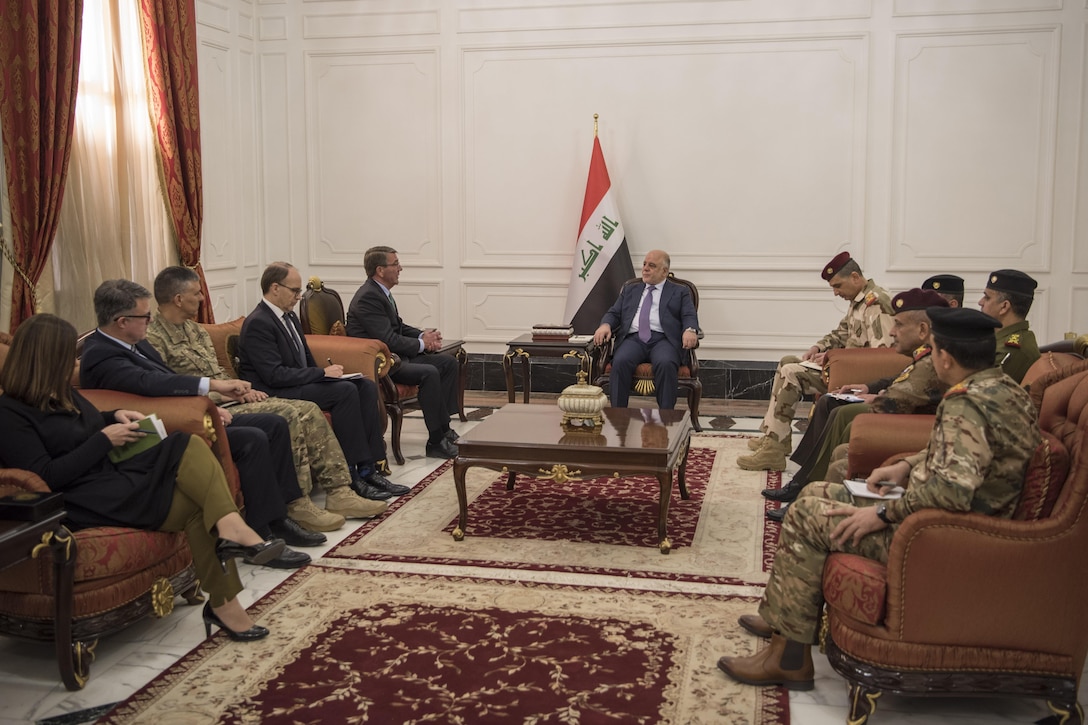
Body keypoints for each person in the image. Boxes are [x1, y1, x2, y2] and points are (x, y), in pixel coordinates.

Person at [717, 307, 1039, 690]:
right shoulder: (1003, 390)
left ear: (946, 357)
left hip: (945, 535)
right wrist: (906, 464)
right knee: (818, 493)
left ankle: (788, 659)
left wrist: (884, 514)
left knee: (807, 516)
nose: (931, 357)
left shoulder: (967, 403)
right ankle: (786, 619)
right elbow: (971, 454)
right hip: (945, 520)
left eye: (933, 349)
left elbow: (952, 490)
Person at [0, 314, 285, 641]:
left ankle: (225, 600)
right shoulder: (9, 413)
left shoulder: (59, 390)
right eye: (68, 355)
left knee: (190, 465)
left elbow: (79, 426)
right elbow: (46, 477)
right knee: (189, 470)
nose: (73, 362)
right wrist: (105, 439)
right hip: (82, 499)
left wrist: (112, 416)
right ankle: (234, 532)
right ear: (45, 358)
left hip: (111, 478)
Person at [79, 279, 314, 569]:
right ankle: (260, 533)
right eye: (145, 316)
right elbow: (150, 383)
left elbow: (163, 379)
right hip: (153, 434)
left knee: (273, 424)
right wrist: (211, 388)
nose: (150, 321)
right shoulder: (101, 354)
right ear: (123, 321)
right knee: (252, 437)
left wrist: (211, 404)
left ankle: (279, 518)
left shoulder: (135, 343)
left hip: (183, 415)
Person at [146, 266, 387, 521]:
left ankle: (339, 491)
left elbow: (215, 371)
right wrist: (226, 394)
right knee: (291, 411)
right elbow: (170, 387)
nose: (203, 298)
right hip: (206, 408)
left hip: (231, 398)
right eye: (197, 293)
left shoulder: (194, 330)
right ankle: (298, 502)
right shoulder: (154, 339)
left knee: (313, 406)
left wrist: (239, 388)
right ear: (178, 298)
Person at [762, 288, 949, 522]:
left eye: (899, 325)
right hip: (897, 404)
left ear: (922, 329)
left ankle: (808, 488)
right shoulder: (924, 353)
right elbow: (902, 376)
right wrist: (869, 388)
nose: (893, 330)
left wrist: (877, 396)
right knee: (828, 403)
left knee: (843, 413)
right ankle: (802, 479)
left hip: (907, 418)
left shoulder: (933, 358)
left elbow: (904, 393)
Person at [236, 262, 409, 500]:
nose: (298, 297)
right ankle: (352, 476)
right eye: (294, 291)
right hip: (274, 391)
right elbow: (274, 375)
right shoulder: (259, 322)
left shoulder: (289, 317)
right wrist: (321, 375)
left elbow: (305, 359)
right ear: (275, 288)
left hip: (297, 383)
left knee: (365, 386)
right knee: (345, 392)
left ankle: (372, 469)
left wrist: (322, 372)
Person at [737, 252, 895, 471]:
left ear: (855, 277)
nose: (836, 292)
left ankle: (774, 451)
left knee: (791, 372)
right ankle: (773, 436)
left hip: (860, 378)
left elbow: (883, 357)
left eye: (838, 286)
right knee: (787, 361)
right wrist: (819, 347)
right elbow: (842, 333)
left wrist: (834, 359)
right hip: (847, 367)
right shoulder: (859, 300)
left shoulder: (876, 303)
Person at [345, 246, 460, 459]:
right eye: (396, 264)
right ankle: (435, 441)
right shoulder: (368, 297)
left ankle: (444, 428)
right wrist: (422, 345)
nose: (401, 268)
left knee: (448, 363)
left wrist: (422, 336)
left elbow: (397, 326)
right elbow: (387, 339)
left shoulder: (380, 292)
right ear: (380, 270)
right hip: (380, 364)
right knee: (429, 372)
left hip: (394, 357)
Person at [592, 249, 699, 409]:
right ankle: (618, 417)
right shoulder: (630, 289)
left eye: (652, 265)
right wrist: (605, 325)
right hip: (633, 339)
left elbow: (689, 315)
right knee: (620, 362)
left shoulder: (680, 291)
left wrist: (690, 329)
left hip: (664, 340)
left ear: (664, 271)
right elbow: (614, 313)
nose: (645, 268)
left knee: (665, 363)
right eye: (644, 264)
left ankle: (665, 418)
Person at [978, 269, 1040, 383]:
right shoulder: (997, 339)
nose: (980, 302)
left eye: (987, 298)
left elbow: (980, 387)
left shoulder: (1012, 350)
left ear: (1004, 307)